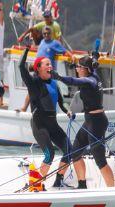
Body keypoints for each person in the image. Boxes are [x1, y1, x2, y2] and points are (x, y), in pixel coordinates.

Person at [52, 56, 115, 188]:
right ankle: (82, 184)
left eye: (79, 67)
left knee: (100, 160)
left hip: (97, 123)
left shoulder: (90, 80)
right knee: (75, 153)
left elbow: (72, 81)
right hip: (90, 121)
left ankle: (112, 189)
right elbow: (93, 64)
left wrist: (59, 77)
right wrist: (95, 56)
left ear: (86, 69)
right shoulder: (94, 74)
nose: (76, 69)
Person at [19, 45, 72, 186]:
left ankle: (58, 180)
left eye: (51, 64)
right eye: (47, 64)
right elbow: (21, 67)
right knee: (49, 154)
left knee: (69, 149)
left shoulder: (55, 84)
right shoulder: (34, 83)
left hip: (52, 123)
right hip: (39, 124)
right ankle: (36, 184)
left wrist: (68, 110)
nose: (50, 66)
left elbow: (62, 103)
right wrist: (26, 49)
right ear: (38, 68)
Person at [19, 26, 73, 112]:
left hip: (47, 72)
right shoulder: (42, 42)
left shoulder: (55, 43)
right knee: (31, 88)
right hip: (38, 70)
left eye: (48, 33)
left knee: (50, 91)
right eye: (44, 33)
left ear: (51, 34)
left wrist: (72, 57)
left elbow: (64, 50)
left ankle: (52, 110)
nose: (46, 35)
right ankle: (24, 108)